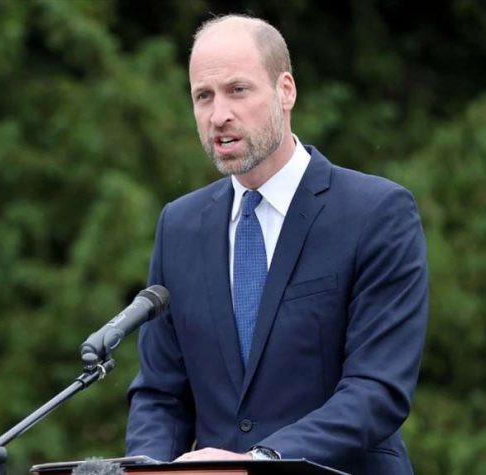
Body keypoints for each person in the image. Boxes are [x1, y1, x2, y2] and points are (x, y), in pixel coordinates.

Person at [125, 14, 428, 475]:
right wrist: (151, 468)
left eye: (237, 90)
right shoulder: (180, 226)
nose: (218, 115)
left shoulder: (376, 213)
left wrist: (260, 461)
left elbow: (377, 388)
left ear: (286, 90)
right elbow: (160, 394)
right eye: (203, 96)